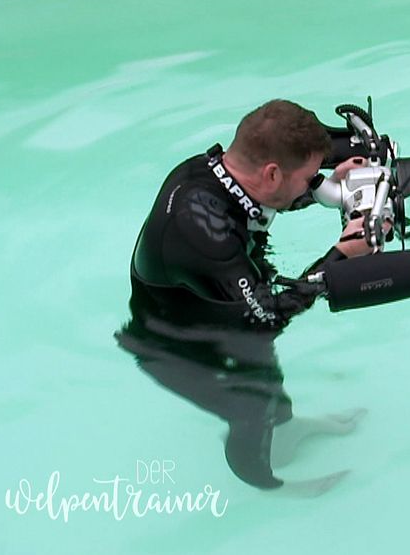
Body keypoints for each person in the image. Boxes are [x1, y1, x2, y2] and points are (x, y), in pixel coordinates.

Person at [119, 99, 377, 493]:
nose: (316, 182)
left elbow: (263, 205)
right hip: (177, 340)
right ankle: (269, 487)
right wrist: (340, 256)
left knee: (264, 368)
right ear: (272, 174)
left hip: (215, 298)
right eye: (310, 177)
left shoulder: (219, 171)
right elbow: (268, 317)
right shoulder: (202, 231)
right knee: (251, 406)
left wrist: (332, 190)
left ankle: (288, 428)